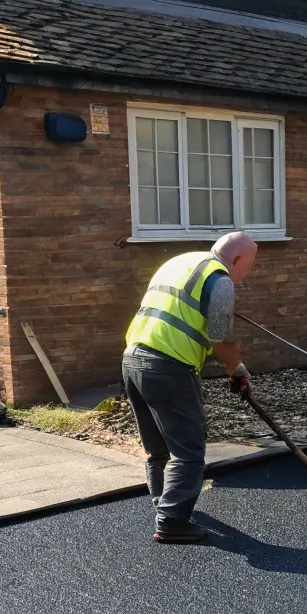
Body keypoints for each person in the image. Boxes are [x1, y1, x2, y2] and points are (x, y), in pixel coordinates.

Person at [123, 231, 258, 544]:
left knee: (158, 447)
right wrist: (236, 370)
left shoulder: (178, 263)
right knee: (188, 451)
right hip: (169, 367)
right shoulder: (220, 280)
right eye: (248, 268)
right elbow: (220, 340)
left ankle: (164, 505)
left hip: (132, 359)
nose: (245, 275)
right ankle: (171, 522)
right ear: (236, 259)